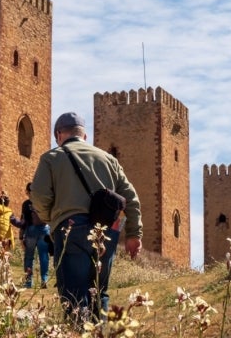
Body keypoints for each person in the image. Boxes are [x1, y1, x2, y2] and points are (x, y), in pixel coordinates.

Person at [30, 112, 142, 323]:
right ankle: (100, 333)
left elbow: (39, 196)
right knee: (99, 293)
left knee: (74, 295)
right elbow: (132, 199)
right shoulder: (109, 159)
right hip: (107, 231)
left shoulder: (51, 158)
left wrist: (50, 219)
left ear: (59, 134)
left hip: (71, 228)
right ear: (85, 136)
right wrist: (134, 234)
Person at [20, 182, 50, 288]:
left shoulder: (26, 204)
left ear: (28, 192)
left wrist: (21, 237)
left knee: (29, 257)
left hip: (31, 230)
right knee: (44, 256)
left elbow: (23, 221)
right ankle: (44, 280)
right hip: (45, 229)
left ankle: (28, 281)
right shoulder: (43, 201)